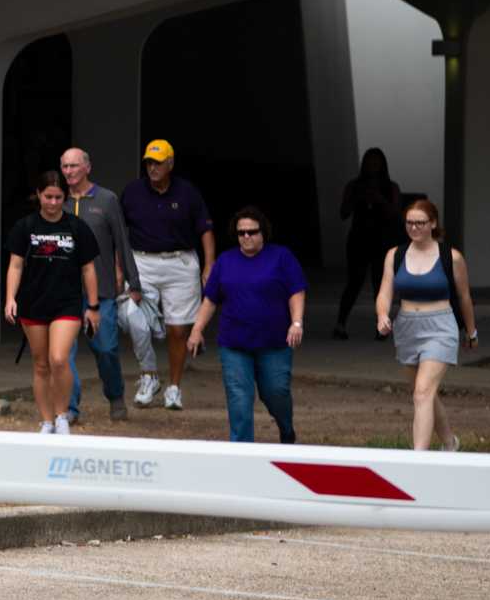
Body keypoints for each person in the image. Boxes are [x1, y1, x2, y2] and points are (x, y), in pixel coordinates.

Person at [186, 208, 306, 444]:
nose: (246, 237)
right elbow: (210, 299)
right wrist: (197, 330)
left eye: (252, 232)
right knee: (239, 398)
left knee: (276, 393)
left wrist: (297, 322)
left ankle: (286, 429)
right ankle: (242, 451)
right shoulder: (225, 261)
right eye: (241, 233)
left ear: (263, 232)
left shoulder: (281, 257)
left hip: (274, 343)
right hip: (234, 344)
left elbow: (296, 291)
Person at [375, 197, 480, 451]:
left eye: (420, 223)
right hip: (407, 327)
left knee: (422, 393)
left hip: (440, 327)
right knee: (425, 395)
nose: (414, 228)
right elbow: (385, 292)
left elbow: (464, 296)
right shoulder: (395, 255)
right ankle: (449, 443)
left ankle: (419, 460)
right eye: (409, 223)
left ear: (433, 223)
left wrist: (471, 330)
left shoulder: (451, 257)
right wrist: (382, 315)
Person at [120, 139, 214, 411]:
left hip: (180, 262)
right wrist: (119, 266)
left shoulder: (187, 192)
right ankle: (148, 377)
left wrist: (209, 265)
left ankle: (174, 387)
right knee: (132, 316)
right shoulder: (133, 191)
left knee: (178, 328)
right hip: (141, 262)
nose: (152, 168)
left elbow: (205, 229)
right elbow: (118, 231)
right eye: (149, 162)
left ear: (170, 164)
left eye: (158, 163)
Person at [4, 172, 101, 435]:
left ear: (65, 198)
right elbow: (15, 265)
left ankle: (62, 415)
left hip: (67, 303)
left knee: (58, 359)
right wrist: (10, 298)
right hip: (33, 302)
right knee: (40, 363)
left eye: (59, 197)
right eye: (48, 196)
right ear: (38, 195)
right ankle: (46, 420)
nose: (53, 202)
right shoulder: (25, 226)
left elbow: (89, 269)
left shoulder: (77, 227)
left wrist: (93, 307)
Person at [60, 147, 139, 425]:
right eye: (65, 167)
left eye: (74, 166)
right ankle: (70, 408)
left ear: (87, 168)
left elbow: (121, 241)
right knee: (63, 353)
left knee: (105, 348)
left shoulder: (106, 200)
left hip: (102, 290)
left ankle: (115, 396)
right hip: (65, 293)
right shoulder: (58, 201)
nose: (69, 171)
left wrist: (133, 281)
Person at [333, 148, 401, 339]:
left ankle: (382, 325)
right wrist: (358, 198)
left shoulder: (390, 187)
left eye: (376, 162)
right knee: (354, 282)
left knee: (380, 284)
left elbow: (396, 214)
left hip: (382, 240)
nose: (373, 166)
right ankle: (340, 324)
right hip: (359, 239)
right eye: (369, 161)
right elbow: (343, 213)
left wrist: (380, 200)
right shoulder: (354, 186)